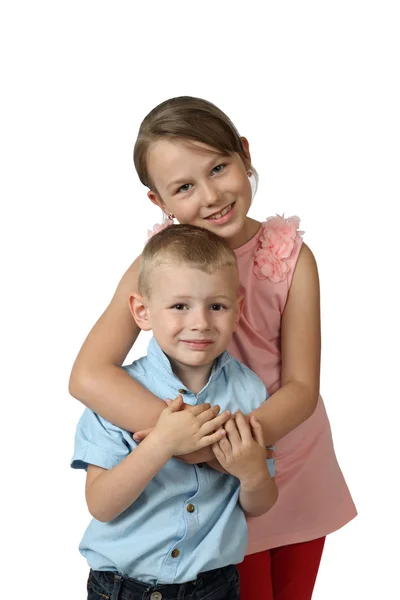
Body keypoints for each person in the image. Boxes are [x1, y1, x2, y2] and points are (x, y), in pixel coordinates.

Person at [69, 96, 357, 600]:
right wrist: (191, 444)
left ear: (244, 155)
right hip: (202, 491)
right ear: (160, 202)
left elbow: (302, 388)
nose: (210, 195)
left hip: (282, 462)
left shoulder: (290, 257)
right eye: (184, 187)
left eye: (219, 167)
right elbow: (89, 375)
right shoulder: (153, 266)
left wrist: (233, 453)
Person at [72, 224, 278, 600]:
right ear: (142, 311)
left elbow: (259, 504)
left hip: (211, 587)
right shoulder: (118, 394)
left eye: (216, 306)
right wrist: (162, 443)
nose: (200, 322)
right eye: (180, 306)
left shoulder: (249, 391)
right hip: (120, 588)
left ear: (237, 310)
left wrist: (253, 475)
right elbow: (100, 506)